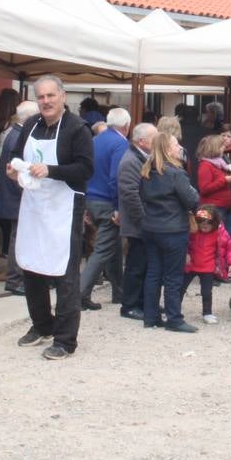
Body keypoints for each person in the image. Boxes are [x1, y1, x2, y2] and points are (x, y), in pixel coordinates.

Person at [7, 76, 94, 360]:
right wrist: (15, 171)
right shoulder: (31, 124)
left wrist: (51, 170)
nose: (45, 101)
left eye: (50, 96)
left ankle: (65, 339)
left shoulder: (77, 128)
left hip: (64, 208)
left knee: (65, 273)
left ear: (63, 96)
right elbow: (18, 155)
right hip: (33, 205)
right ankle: (41, 324)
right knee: (31, 266)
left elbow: (85, 168)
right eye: (41, 97)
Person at [140, 132, 200, 332]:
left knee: (153, 273)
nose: (179, 147)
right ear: (167, 149)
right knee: (173, 276)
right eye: (175, 144)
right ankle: (174, 318)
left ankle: (151, 316)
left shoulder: (147, 171)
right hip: (173, 229)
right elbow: (192, 200)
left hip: (151, 227)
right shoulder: (176, 173)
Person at [81, 107, 131, 311]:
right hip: (107, 201)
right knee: (103, 249)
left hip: (91, 198)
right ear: (126, 126)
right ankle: (80, 293)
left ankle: (119, 291)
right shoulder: (120, 143)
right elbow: (116, 178)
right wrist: (119, 207)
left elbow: (86, 171)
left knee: (113, 246)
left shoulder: (95, 140)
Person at [0, 100, 39, 296]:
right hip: (16, 197)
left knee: (17, 237)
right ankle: (14, 279)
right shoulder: (18, 137)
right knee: (17, 238)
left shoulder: (16, 135)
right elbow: (14, 172)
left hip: (13, 196)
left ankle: (17, 277)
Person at [117, 122, 158, 321]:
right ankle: (130, 305)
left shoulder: (142, 157)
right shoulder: (131, 160)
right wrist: (143, 220)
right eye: (153, 138)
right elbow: (130, 194)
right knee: (136, 266)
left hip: (144, 222)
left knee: (144, 264)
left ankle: (143, 302)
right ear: (141, 141)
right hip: (137, 224)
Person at [182, 204, 231, 324]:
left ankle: (207, 313)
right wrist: (185, 254)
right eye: (201, 223)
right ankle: (174, 310)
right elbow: (183, 243)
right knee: (180, 289)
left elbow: (230, 248)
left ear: (214, 223)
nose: (204, 226)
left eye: (207, 223)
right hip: (191, 265)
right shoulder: (192, 231)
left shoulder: (220, 233)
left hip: (208, 267)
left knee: (207, 292)